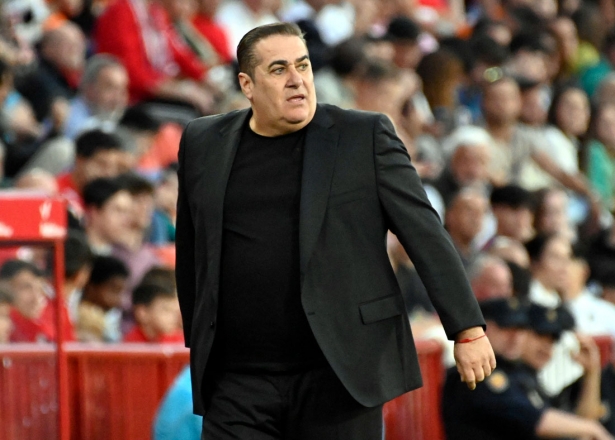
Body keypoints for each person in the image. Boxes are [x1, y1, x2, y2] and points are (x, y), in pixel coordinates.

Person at [175, 22, 495, 439]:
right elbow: (192, 245)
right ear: (247, 84)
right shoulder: (203, 140)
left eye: (303, 65)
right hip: (238, 380)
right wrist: (198, 337)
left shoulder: (364, 135)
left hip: (340, 374)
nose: (296, 81)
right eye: (278, 69)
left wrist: (467, 329)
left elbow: (424, 233)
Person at [442, 299, 614, 440]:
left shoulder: (522, 375)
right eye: (506, 328)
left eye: (520, 329)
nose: (514, 337)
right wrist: (592, 429)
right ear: (484, 330)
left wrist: (592, 373)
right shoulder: (481, 374)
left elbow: (577, 424)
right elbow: (536, 421)